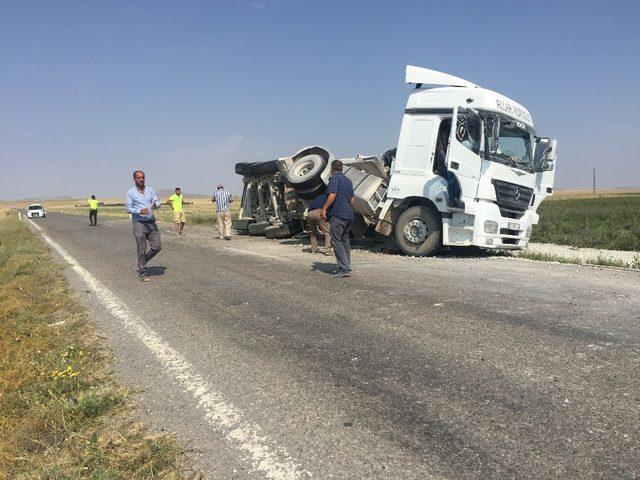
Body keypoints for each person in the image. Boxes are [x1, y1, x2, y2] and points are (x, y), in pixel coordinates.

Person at [125, 170, 162, 282]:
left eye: (143, 177)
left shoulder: (150, 190)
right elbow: (128, 208)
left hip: (151, 222)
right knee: (142, 248)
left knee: (157, 247)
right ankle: (143, 272)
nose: (141, 179)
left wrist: (156, 204)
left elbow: (158, 202)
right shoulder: (130, 193)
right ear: (134, 179)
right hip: (139, 223)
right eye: (139, 178)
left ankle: (143, 260)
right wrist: (139, 210)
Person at [321, 160, 355, 278]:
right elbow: (352, 200)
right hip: (348, 214)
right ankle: (346, 264)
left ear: (332, 169)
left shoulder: (334, 179)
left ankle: (344, 267)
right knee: (345, 240)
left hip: (337, 214)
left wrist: (324, 208)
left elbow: (333, 194)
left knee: (335, 240)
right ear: (342, 169)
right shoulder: (348, 181)